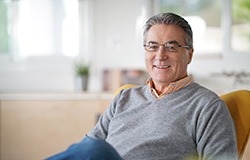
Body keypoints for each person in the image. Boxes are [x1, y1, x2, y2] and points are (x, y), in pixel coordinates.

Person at [46, 12, 238, 160]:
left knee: (95, 149)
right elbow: (84, 150)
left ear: (189, 54)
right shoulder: (124, 97)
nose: (160, 55)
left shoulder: (208, 106)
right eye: (152, 46)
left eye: (171, 47)